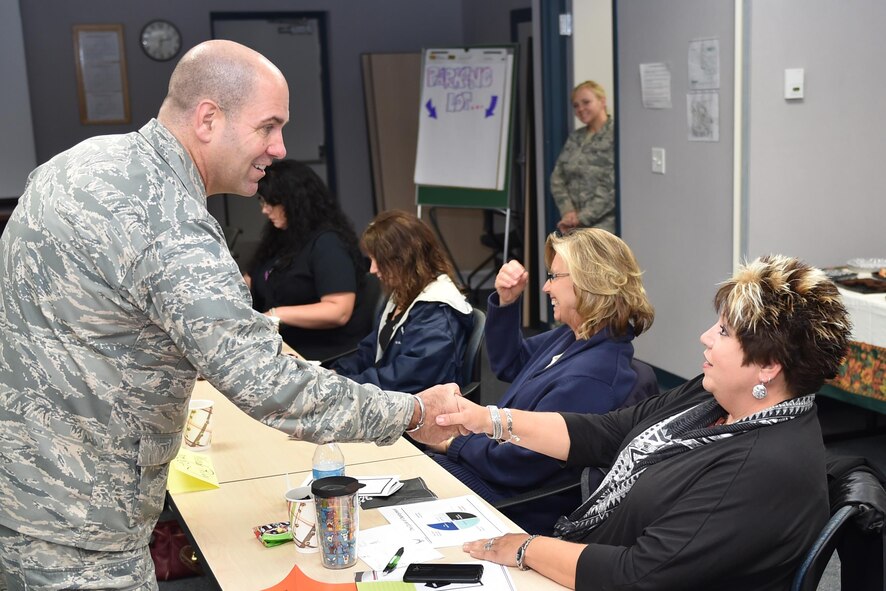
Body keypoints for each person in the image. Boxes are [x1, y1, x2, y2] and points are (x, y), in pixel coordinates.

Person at [0, 40, 457, 590]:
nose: (280, 148)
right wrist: (410, 413)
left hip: (25, 490)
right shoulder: (166, 220)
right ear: (209, 119)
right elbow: (270, 386)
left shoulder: (77, 165)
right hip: (84, 523)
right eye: (268, 126)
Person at [438, 255, 851, 591]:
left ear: (768, 367)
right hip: (588, 560)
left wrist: (526, 548)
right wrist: (488, 419)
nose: (705, 336)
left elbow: (636, 575)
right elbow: (608, 433)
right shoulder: (713, 398)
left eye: (724, 332)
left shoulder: (762, 467)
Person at [428, 228, 654, 535]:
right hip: (492, 469)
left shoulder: (593, 377)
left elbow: (518, 464)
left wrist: (456, 444)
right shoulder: (575, 337)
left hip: (515, 502)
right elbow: (511, 363)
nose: (546, 287)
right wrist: (507, 303)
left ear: (589, 282)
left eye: (554, 277)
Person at [244, 159, 374, 361]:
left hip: (320, 354)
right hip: (284, 347)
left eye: (271, 202)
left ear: (294, 202)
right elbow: (252, 278)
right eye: (262, 200)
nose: (265, 209)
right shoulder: (281, 236)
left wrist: (276, 314)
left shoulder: (328, 243)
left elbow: (338, 310)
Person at [332, 210, 474, 394]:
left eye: (379, 260)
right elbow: (370, 351)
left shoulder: (438, 313)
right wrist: (336, 373)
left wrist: (345, 385)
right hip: (392, 400)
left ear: (404, 259)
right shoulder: (404, 294)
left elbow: (405, 379)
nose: (373, 269)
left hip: (418, 411)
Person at [550, 80, 615, 234]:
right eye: (576, 105)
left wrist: (582, 218)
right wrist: (568, 212)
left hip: (604, 227)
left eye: (586, 102)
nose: (580, 109)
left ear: (602, 101)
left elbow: (612, 185)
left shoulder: (616, 135)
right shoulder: (576, 137)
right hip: (573, 225)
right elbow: (557, 177)